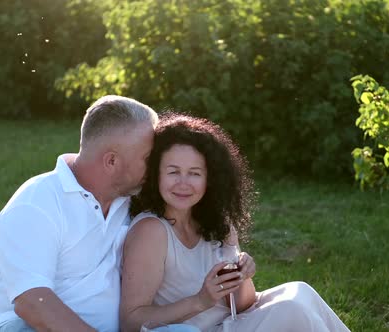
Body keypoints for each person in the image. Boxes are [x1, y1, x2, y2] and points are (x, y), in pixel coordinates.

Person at [0, 96, 198, 332]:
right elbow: (32, 303)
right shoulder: (36, 203)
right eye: (148, 159)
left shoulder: (129, 198)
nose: (155, 167)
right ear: (111, 161)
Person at [120, 113, 350, 332]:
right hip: (199, 330)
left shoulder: (216, 223)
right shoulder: (151, 231)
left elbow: (243, 304)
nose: (183, 183)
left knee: (300, 291)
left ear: (209, 179)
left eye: (194, 173)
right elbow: (131, 321)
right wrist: (200, 301)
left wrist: (242, 276)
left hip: (231, 322)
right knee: (291, 310)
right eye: (173, 172)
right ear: (155, 175)